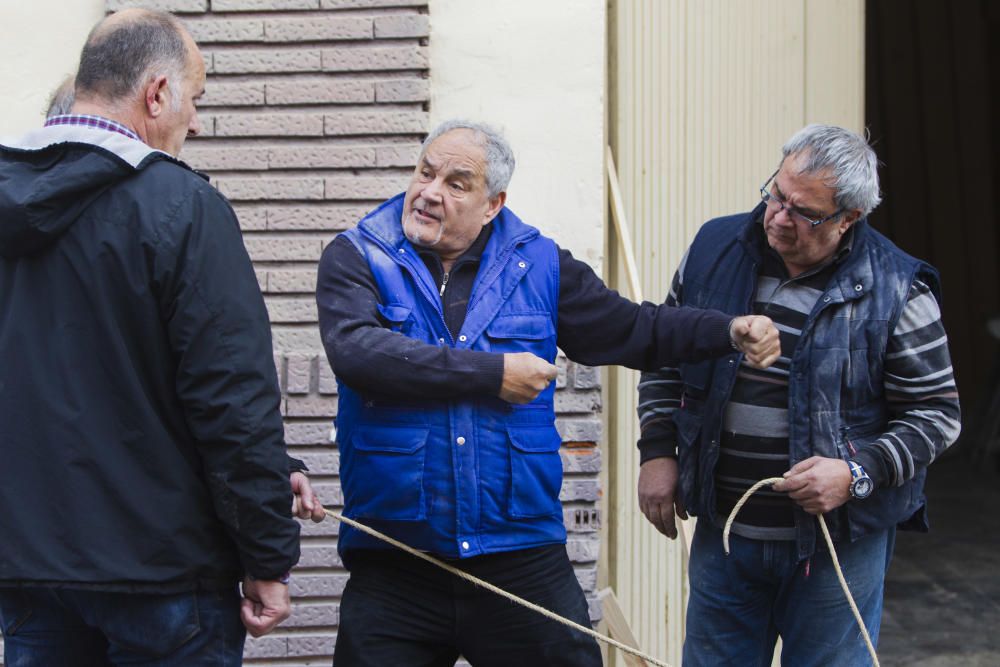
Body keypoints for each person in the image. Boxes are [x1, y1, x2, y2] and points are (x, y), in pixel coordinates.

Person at [316, 118, 781, 666]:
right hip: (394, 557)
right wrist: (492, 373)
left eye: (456, 183)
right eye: (426, 172)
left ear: (493, 204)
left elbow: (635, 329)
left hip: (520, 551)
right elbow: (359, 353)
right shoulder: (358, 254)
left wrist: (724, 331)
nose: (429, 192)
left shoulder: (536, 263)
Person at [0, 9, 323, 665]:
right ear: (157, 92)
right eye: (195, 99)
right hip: (165, 578)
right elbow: (231, 401)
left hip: (28, 571)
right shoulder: (184, 208)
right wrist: (267, 556)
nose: (196, 122)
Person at [636, 124, 961, 666]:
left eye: (803, 212)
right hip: (727, 530)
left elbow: (937, 416)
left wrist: (855, 472)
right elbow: (667, 358)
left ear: (848, 219)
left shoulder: (898, 287)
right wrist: (657, 453)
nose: (778, 218)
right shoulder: (713, 250)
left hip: (838, 548)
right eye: (776, 194)